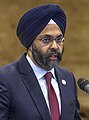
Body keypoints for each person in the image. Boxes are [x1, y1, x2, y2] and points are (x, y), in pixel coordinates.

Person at [0, 4, 81, 120]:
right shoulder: (5, 79)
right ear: (30, 44)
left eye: (59, 39)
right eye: (46, 40)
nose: (55, 46)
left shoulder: (68, 77)